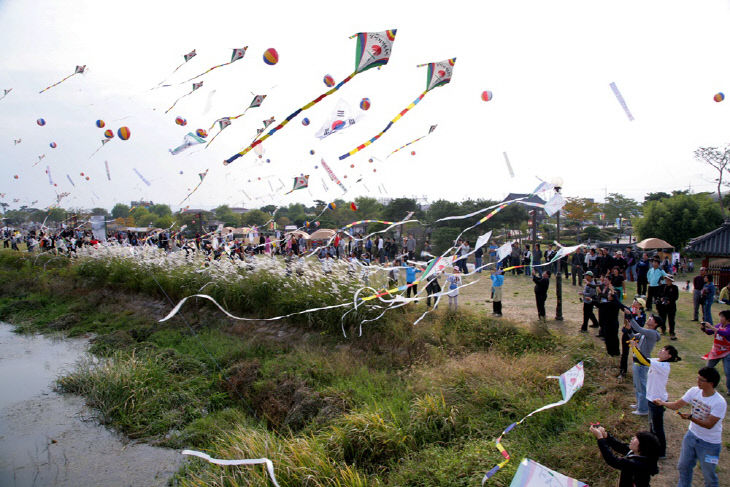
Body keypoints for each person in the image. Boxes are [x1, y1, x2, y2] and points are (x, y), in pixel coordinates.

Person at [655, 367, 727, 487]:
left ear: (711, 383)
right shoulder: (694, 391)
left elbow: (709, 425)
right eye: (697, 378)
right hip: (691, 436)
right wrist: (662, 403)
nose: (697, 381)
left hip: (710, 444)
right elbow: (677, 404)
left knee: (709, 475)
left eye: (701, 380)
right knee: (683, 467)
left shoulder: (719, 402)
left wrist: (691, 418)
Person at [589, 425, 660, 487]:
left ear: (643, 446)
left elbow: (612, 460)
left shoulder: (635, 464)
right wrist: (606, 436)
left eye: (636, 438)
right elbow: (620, 446)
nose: (632, 438)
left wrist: (600, 439)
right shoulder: (639, 454)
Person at [624, 310, 662, 416]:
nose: (648, 319)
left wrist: (631, 317)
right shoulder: (645, 332)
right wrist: (628, 330)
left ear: (655, 324)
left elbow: (639, 328)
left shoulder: (652, 333)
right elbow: (634, 336)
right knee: (637, 385)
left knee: (642, 386)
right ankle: (639, 404)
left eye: (651, 319)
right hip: (637, 361)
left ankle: (643, 409)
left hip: (642, 363)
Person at [646, 345, 682, 458]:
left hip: (658, 401)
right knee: (652, 426)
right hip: (651, 398)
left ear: (669, 356)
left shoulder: (663, 366)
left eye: (664, 350)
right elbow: (639, 360)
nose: (660, 351)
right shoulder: (656, 360)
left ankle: (661, 452)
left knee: (657, 428)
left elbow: (642, 360)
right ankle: (652, 448)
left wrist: (635, 348)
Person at [700, 309, 730, 395]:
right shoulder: (720, 325)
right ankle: (707, 382)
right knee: (708, 368)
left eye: (722, 317)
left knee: (728, 372)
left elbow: (725, 333)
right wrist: (704, 329)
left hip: (727, 352)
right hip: (716, 351)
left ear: (728, 319)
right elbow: (710, 332)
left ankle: (729, 389)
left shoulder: (729, 328)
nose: (720, 318)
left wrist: (711, 327)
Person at [618, 298, 646, 380]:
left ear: (640, 305)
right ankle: (622, 372)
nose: (634, 302)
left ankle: (638, 373)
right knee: (624, 354)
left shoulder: (643, 314)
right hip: (627, 334)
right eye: (634, 300)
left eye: (636, 302)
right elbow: (627, 320)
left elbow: (641, 326)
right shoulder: (629, 310)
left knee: (637, 354)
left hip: (636, 336)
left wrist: (639, 315)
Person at [656, 275, 679, 339]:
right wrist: (661, 299)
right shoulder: (663, 287)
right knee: (662, 318)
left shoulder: (674, 287)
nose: (667, 281)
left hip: (671, 306)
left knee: (671, 320)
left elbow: (676, 297)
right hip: (663, 306)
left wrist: (669, 301)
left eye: (669, 280)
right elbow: (659, 294)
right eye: (666, 280)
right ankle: (663, 330)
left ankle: (672, 332)